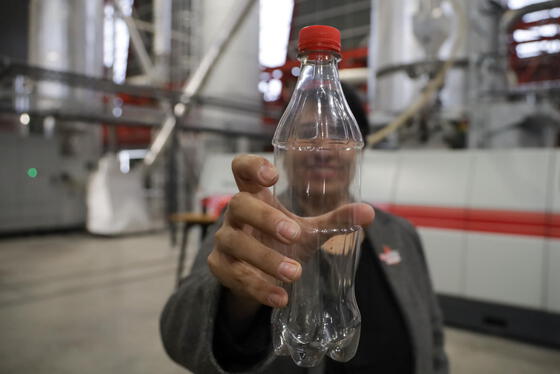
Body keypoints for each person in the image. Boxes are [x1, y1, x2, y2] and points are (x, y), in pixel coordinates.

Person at [160, 83, 449, 374]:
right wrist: (241, 294)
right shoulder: (252, 226)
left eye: (338, 134)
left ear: (359, 148)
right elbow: (179, 335)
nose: (322, 149)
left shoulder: (399, 233)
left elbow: (433, 336)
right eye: (308, 133)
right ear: (283, 149)